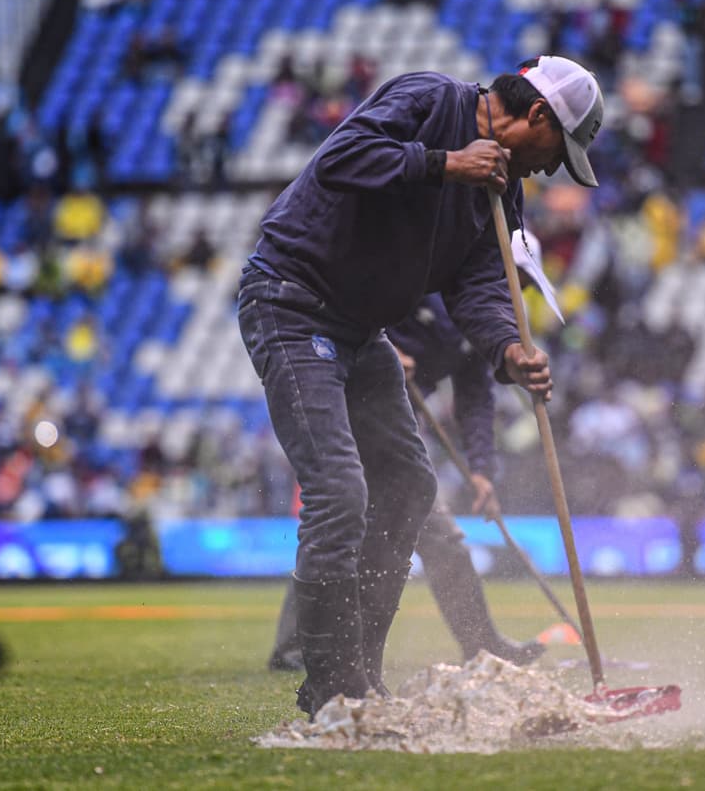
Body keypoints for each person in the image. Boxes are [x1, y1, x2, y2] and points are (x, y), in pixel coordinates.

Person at [237, 56, 603, 716]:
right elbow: (339, 160)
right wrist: (445, 163)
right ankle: (331, 687)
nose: (552, 169)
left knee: (409, 484)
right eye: (558, 152)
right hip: (292, 301)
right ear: (537, 116)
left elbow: (480, 285)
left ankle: (361, 676)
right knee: (339, 491)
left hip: (360, 329)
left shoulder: (503, 191)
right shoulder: (432, 99)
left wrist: (508, 349)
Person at [267, 276, 555, 674]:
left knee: (435, 540)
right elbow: (354, 299)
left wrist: (481, 471)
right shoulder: (430, 280)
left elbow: (475, 397)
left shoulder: (484, 323)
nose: (517, 293)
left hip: (395, 433)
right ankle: (296, 647)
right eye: (516, 282)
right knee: (340, 523)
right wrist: (382, 347)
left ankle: (481, 644)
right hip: (343, 408)